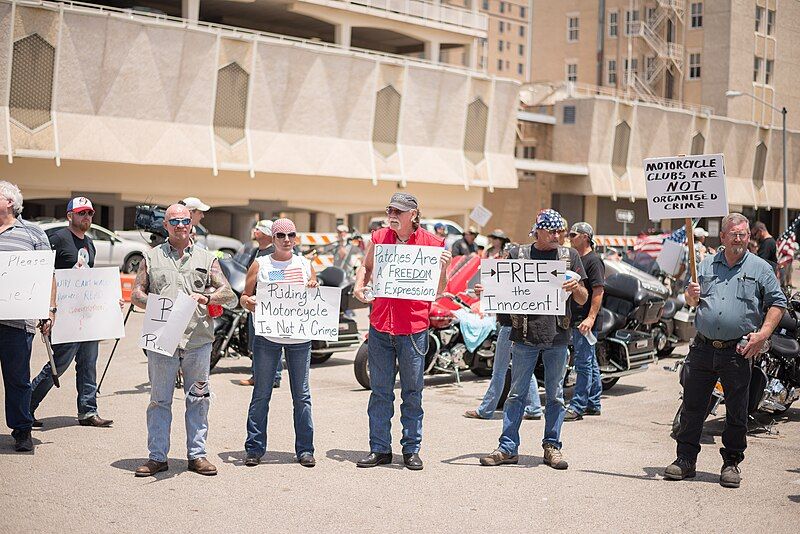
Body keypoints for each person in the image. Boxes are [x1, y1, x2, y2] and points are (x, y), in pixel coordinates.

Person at [665, 213, 786, 489]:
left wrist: (763, 334)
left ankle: (731, 462)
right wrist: (690, 296)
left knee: (736, 411)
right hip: (703, 348)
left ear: (748, 236)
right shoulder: (705, 265)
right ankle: (685, 460)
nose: (739, 238)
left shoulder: (760, 268)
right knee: (693, 407)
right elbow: (691, 300)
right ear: (722, 237)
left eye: (743, 234)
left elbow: (778, 303)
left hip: (738, 351)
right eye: (733, 233)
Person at [131, 203, 236, 477]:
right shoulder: (151, 257)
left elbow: (228, 294)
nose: (180, 225)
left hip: (197, 340)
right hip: (162, 340)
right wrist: (155, 303)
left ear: (192, 224)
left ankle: (197, 455)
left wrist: (208, 297)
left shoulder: (206, 258)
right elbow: (136, 294)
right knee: (159, 400)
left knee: (198, 398)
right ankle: (157, 457)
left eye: (185, 221)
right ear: (165, 225)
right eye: (174, 221)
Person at [479, 209, 588, 470]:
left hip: (558, 337)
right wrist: (486, 291)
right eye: (552, 231)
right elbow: (500, 286)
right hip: (524, 336)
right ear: (537, 230)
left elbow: (584, 298)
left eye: (561, 231)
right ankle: (507, 448)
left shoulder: (569, 256)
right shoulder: (519, 254)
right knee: (516, 395)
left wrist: (577, 289)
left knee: (556, 396)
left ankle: (552, 446)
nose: (559, 235)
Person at [353, 193, 450, 470]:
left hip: (413, 330)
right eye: (390, 209)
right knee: (380, 392)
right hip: (381, 326)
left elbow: (440, 290)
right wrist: (360, 286)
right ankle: (380, 448)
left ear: (414, 215)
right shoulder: (379, 237)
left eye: (399, 211)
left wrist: (443, 267)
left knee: (412, 392)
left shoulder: (433, 245)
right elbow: (366, 266)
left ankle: (411, 449)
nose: (393, 214)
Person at [29, 197, 114, 428]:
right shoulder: (56, 239)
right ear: (70, 216)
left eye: (89, 213)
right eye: (81, 213)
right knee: (58, 364)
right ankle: (26, 406)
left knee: (88, 364)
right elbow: (44, 274)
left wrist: (108, 303)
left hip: (86, 317)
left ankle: (88, 411)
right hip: (63, 316)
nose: (86, 217)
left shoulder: (90, 243)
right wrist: (46, 309)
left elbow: (91, 281)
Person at [239, 218, 318, 468]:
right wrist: (247, 302)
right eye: (281, 235)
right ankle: (254, 448)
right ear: (272, 239)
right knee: (261, 393)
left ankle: (305, 450)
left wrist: (314, 287)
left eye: (291, 235)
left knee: (302, 395)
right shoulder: (260, 264)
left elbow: (314, 296)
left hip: (299, 338)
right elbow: (245, 296)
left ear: (296, 238)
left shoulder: (305, 264)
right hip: (267, 338)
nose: (286, 240)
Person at [0, 181, 54, 452]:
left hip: (17, 323)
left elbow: (47, 276)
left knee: (17, 378)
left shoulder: (32, 233)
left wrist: (49, 311)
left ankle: (22, 431)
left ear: (10, 202)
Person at [464, 239, 543, 422]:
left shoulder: (508, 276)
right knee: (522, 369)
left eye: (506, 255)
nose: (502, 257)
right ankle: (534, 408)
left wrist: (486, 291)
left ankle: (486, 409)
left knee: (499, 371)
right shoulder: (519, 276)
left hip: (509, 327)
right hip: (516, 327)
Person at [564, 222, 605, 421]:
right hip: (577, 317)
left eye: (573, 235)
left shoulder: (593, 261)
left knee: (583, 363)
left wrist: (590, 317)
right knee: (589, 361)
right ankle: (593, 403)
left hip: (585, 319)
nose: (569, 238)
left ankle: (578, 405)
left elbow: (598, 291)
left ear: (585, 237)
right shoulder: (576, 259)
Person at [239, 220, 282, 388]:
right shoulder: (256, 252)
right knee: (256, 342)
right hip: (255, 303)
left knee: (271, 341)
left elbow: (279, 278)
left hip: (269, 303)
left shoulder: (275, 253)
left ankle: (275, 376)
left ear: (266, 234)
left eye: (259, 228)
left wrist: (262, 277)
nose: (255, 230)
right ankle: (257, 374)